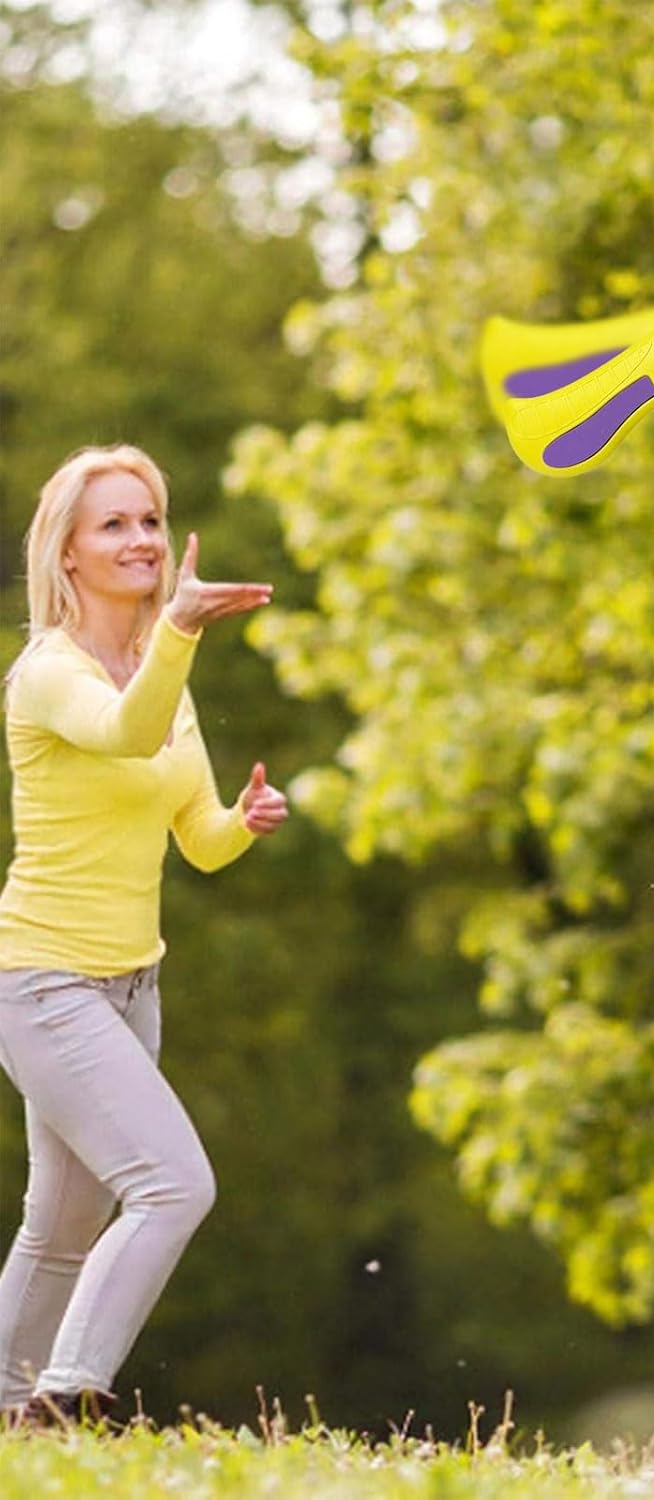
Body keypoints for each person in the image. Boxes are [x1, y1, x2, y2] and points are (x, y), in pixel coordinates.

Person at [0, 445, 288, 1425]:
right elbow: (125, 732)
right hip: (43, 982)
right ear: (68, 554)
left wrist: (241, 825)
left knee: (63, 1228)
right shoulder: (46, 672)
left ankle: (5, 1417)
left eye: (152, 519)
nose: (141, 539)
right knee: (172, 1185)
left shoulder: (167, 677)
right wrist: (178, 632)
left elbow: (196, 841)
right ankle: (64, 1396)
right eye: (114, 524)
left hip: (134, 990)